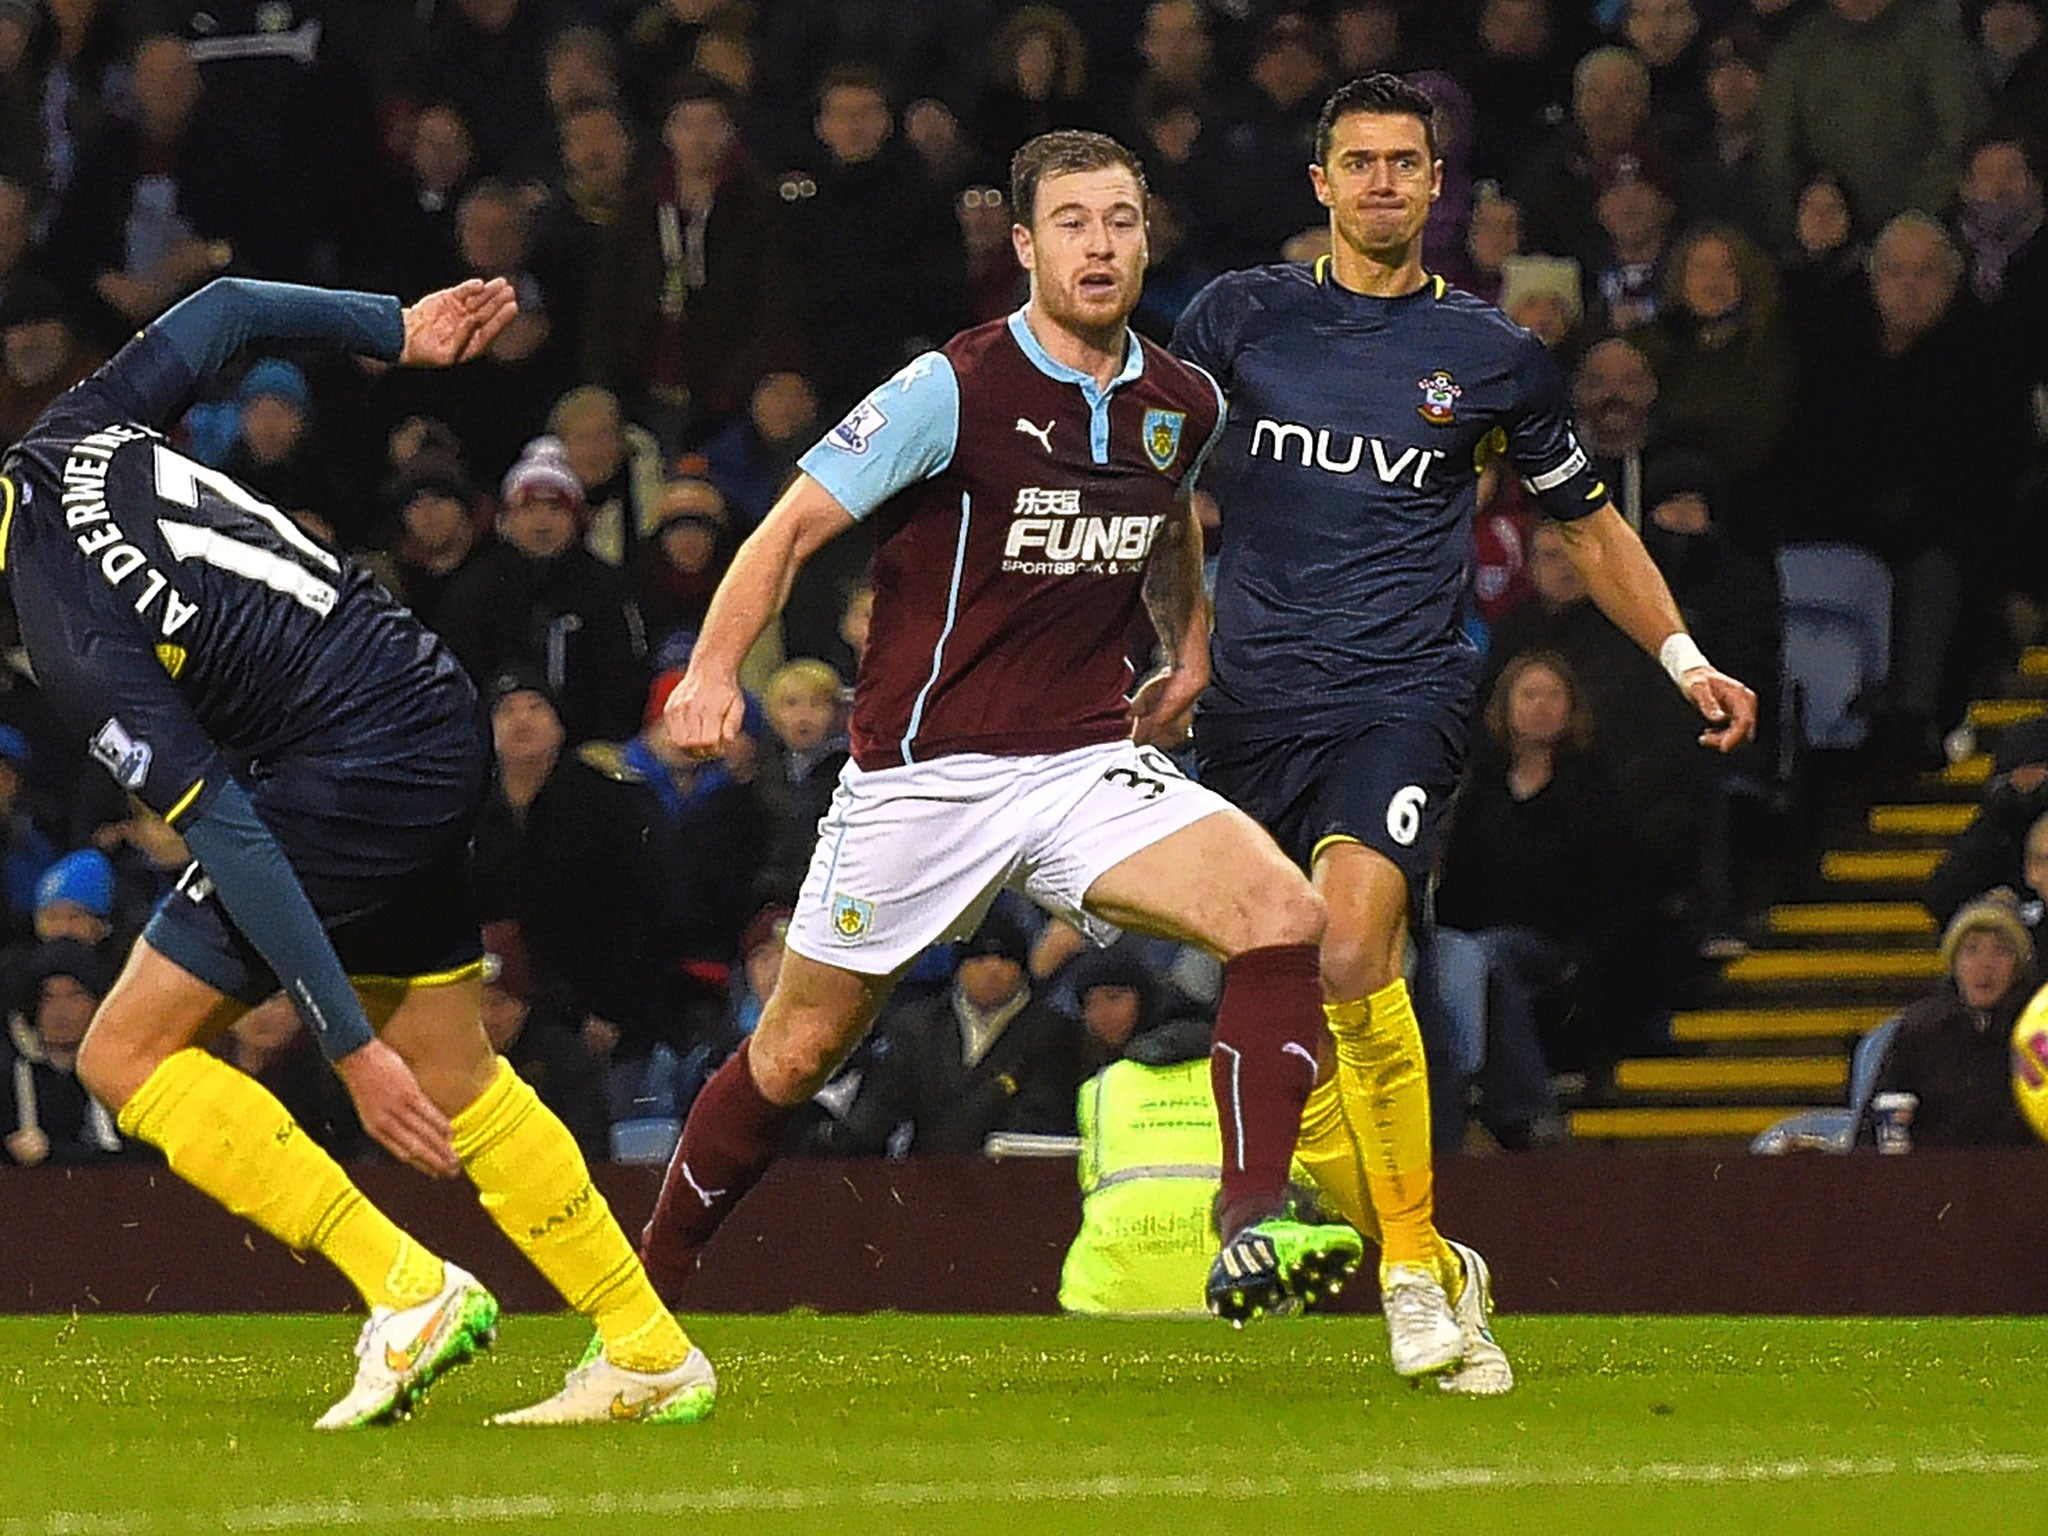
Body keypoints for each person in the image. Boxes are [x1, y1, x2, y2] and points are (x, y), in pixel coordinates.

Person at [637, 128, 1362, 1330]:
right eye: (1072, 222)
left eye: (1121, 221)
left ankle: (1247, 1227)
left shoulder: (1178, 401)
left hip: (1082, 763)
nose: (1100, 244)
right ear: (1024, 246)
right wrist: (711, 671)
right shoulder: (950, 387)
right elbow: (787, 531)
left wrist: (1185, 646)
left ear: (1146, 238)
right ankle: (641, 1293)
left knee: (1280, 914)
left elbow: (1169, 511)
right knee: (793, 1055)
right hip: (923, 781)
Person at [0, 273, 712, 1427]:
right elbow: (226, 304)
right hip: (428, 706)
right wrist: (396, 329)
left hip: (347, 771)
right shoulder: (74, 428)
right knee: (454, 1065)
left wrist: (341, 1043)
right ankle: (645, 1345)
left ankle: (406, 1287)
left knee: (122, 1056)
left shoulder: (70, 631)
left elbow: (227, 826)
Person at [1171, 74, 1758, 1393]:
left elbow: (1589, 523)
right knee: (1301, 987)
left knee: (1355, 934)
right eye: (1359, 162)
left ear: (1440, 188)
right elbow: (1147, 474)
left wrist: (1682, 657)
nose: (1383, 182)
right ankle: (1419, 1249)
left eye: (1405, 163)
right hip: (1251, 705)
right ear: (1318, 185)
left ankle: (1405, 1268)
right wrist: (1162, 642)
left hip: (1403, 697)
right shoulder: (1237, 320)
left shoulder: (1492, 357)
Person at [1868, 891, 2037, 1148]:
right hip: (1934, 1178)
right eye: (1972, 950)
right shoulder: (1920, 1029)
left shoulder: (2036, 1032)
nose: (1985, 964)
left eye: (2002, 951)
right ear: (1954, 961)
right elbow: (1871, 1129)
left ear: (2018, 966)